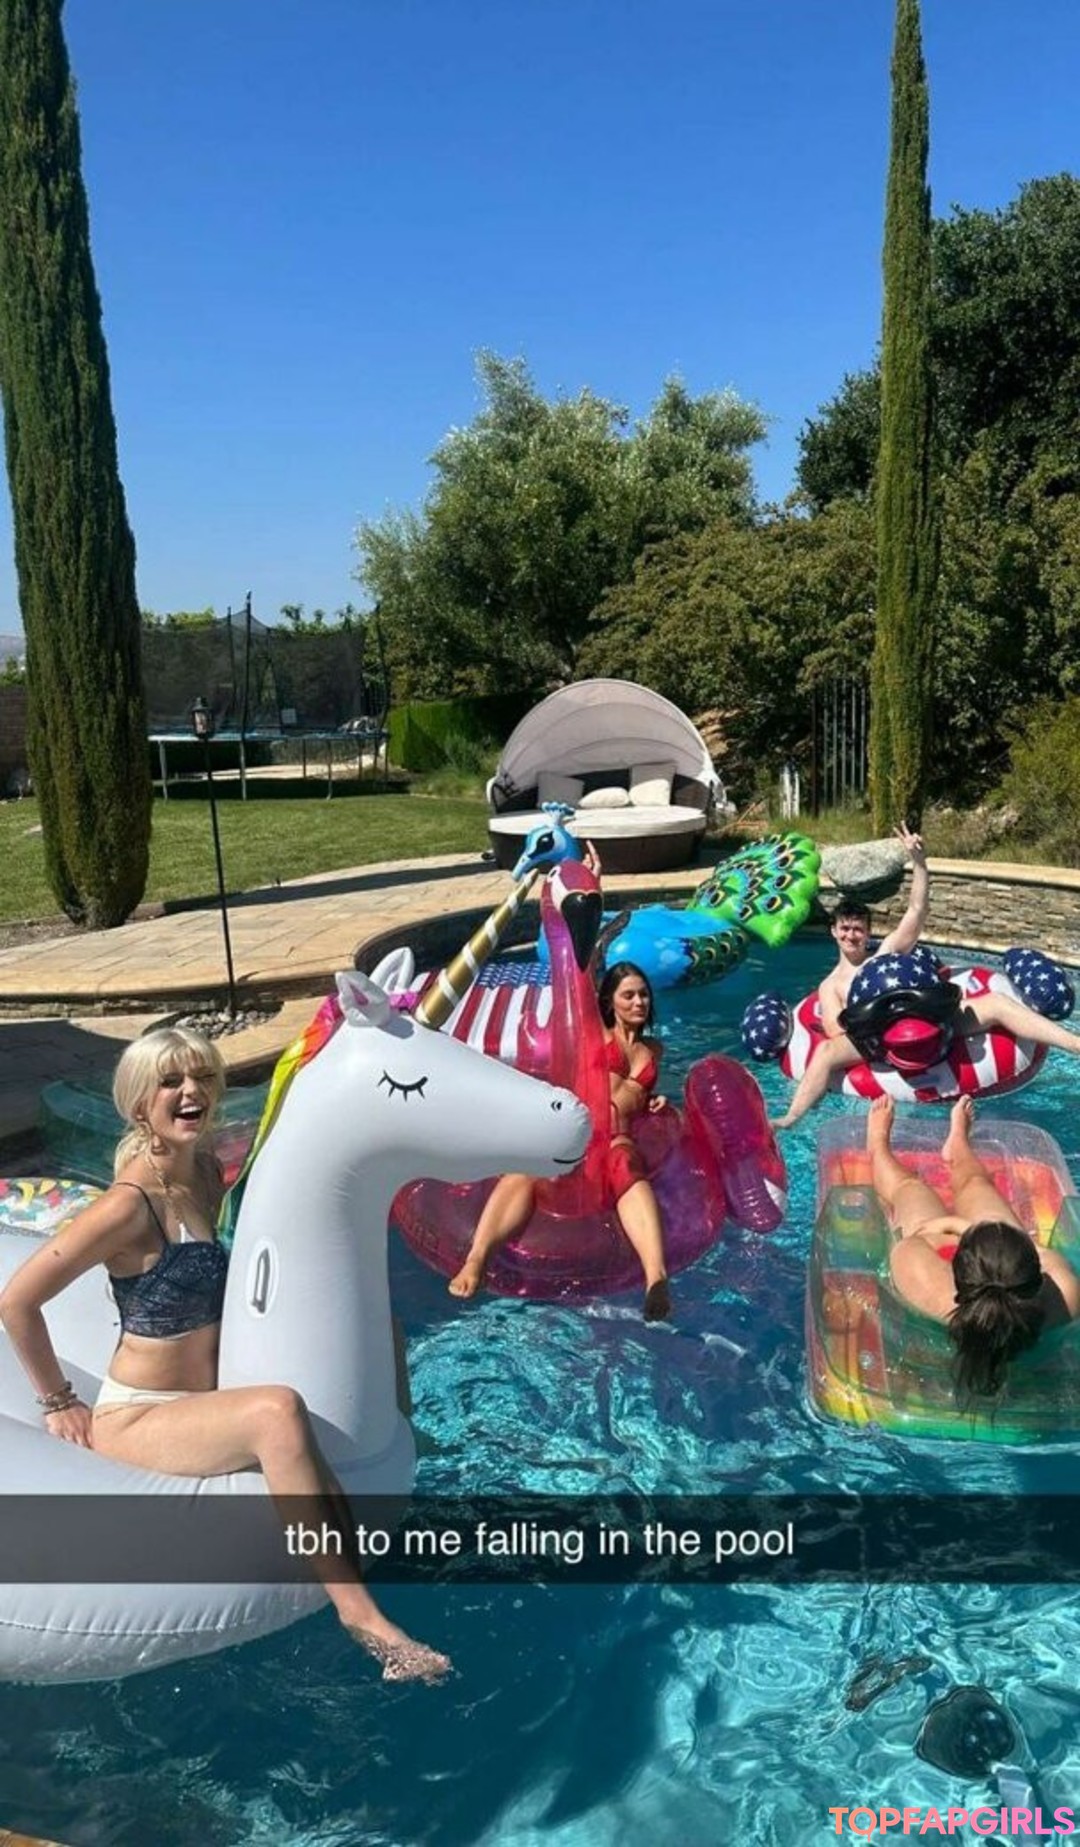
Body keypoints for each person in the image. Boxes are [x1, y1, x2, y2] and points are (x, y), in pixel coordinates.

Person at [0, 1027, 450, 1685]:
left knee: (383, 1325)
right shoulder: (128, 1204)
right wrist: (59, 1399)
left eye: (202, 1078)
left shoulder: (206, 1174)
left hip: (205, 1398)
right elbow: (17, 1301)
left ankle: (417, 1458)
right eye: (171, 1082)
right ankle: (364, 1620)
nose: (192, 1092)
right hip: (141, 1413)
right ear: (139, 1104)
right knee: (275, 1411)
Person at [772, 824, 1080, 1128]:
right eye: (845, 928)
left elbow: (917, 911)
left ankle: (1075, 1044)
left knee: (997, 1003)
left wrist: (919, 863)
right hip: (876, 1037)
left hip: (928, 1017)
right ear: (833, 931)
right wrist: (875, 1020)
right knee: (826, 1053)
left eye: (858, 929)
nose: (851, 935)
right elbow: (833, 1029)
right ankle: (791, 1118)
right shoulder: (831, 985)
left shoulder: (887, 954)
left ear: (867, 932)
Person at [448, 961, 672, 1320]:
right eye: (628, 995)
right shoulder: (595, 1035)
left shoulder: (654, 1049)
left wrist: (653, 1100)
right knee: (527, 1170)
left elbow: (636, 1095)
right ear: (610, 1001)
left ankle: (655, 1278)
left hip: (618, 1138)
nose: (638, 1002)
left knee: (627, 1165)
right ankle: (476, 1260)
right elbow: (577, 998)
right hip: (579, 1132)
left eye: (643, 995)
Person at [868, 1094, 1080, 1409]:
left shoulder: (928, 1286)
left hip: (931, 1352)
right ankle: (958, 1145)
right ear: (1034, 1274)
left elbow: (919, 1239)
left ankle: (877, 1145)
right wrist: (981, 1230)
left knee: (909, 1190)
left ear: (956, 1267)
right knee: (978, 1187)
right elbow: (1041, 1254)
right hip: (1029, 1366)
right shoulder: (1065, 1295)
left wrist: (957, 1225)